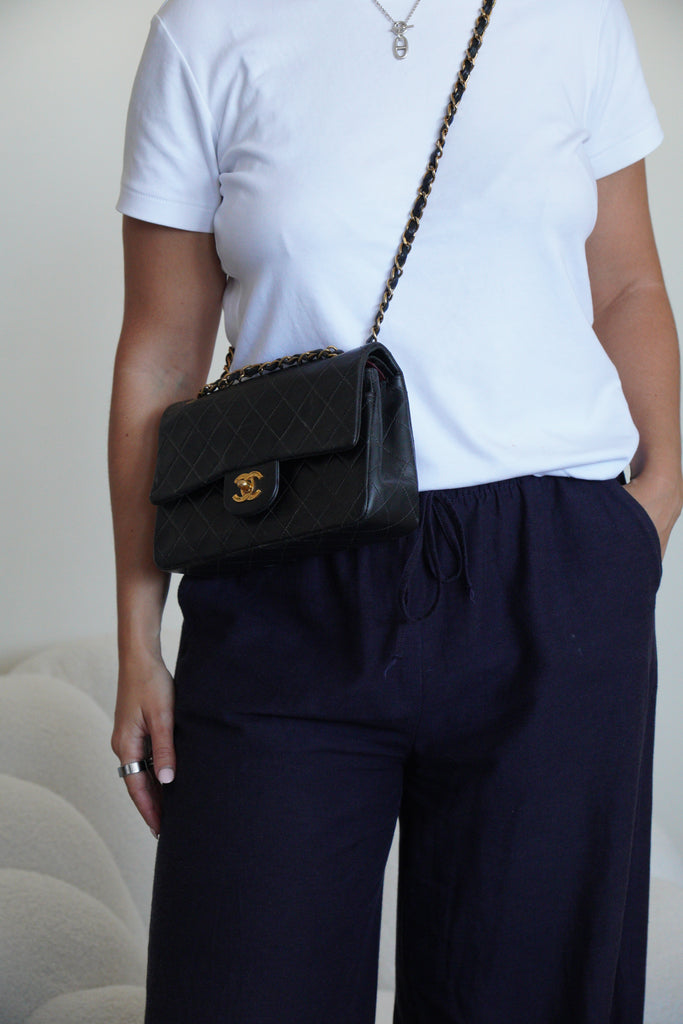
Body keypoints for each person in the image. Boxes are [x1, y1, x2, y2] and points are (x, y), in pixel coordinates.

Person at [108, 0, 682, 1021]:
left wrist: (653, 503)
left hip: (550, 572)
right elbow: (160, 355)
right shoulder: (207, 27)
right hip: (285, 567)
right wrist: (137, 639)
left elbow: (628, 284)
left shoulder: (574, 15)